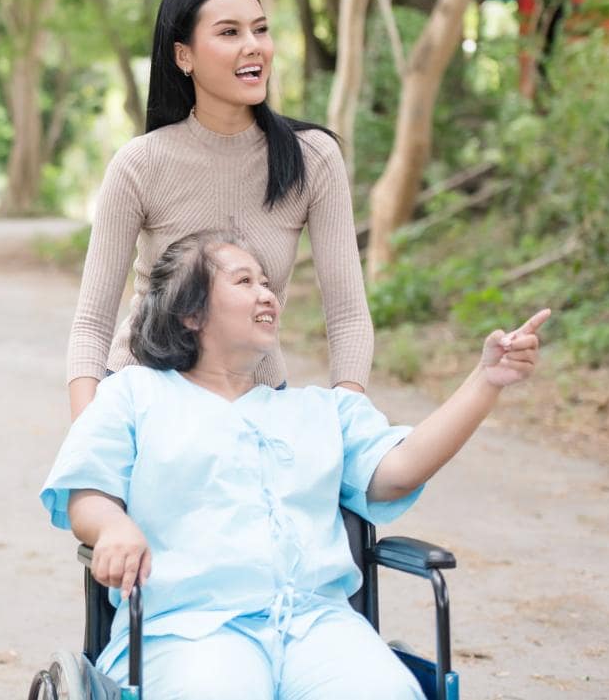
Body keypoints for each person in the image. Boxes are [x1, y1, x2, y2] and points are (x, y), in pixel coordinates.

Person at [41, 230, 549, 699]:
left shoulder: (320, 410)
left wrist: (486, 381)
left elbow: (401, 469)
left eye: (268, 282)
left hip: (319, 626)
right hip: (191, 627)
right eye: (244, 281)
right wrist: (113, 527)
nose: (268, 294)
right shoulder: (134, 395)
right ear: (190, 313)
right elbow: (89, 490)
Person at [68, 0, 369, 420]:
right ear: (183, 56)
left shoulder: (313, 158)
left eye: (260, 29)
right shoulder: (140, 163)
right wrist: (88, 437)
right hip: (144, 406)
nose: (254, 46)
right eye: (229, 32)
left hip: (259, 403)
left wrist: (350, 425)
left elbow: (346, 315)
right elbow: (92, 322)